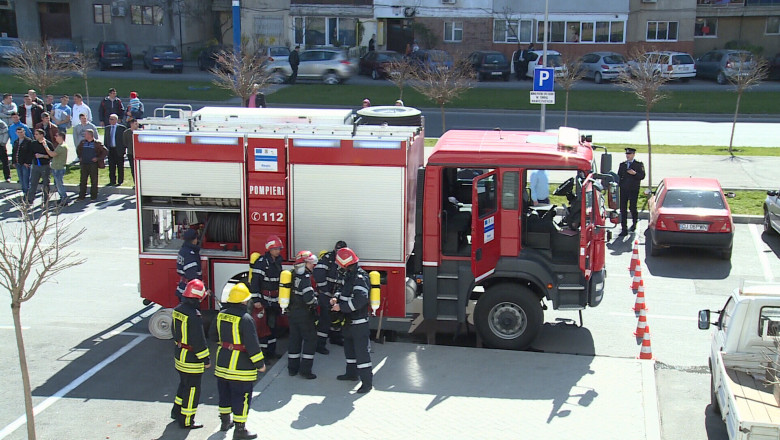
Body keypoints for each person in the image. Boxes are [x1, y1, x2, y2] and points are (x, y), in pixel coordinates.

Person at [214, 282, 266, 439]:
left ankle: (224, 422)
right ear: (244, 301)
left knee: (224, 393)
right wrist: (260, 364)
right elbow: (252, 344)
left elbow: (212, 336)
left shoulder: (220, 314)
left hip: (222, 361)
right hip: (240, 365)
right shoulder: (246, 318)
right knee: (242, 396)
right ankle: (240, 430)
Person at [330, 247, 373, 393]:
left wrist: (341, 307)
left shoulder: (359, 278)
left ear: (345, 264)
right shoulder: (348, 275)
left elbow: (361, 300)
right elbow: (341, 289)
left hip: (359, 323)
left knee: (362, 354)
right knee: (349, 351)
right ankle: (351, 374)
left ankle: (367, 383)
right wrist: (336, 297)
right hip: (348, 323)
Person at [171, 279, 211, 430]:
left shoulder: (178, 309)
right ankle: (187, 420)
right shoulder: (194, 316)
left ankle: (176, 411)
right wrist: (206, 359)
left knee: (183, 384)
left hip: (179, 353)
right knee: (193, 389)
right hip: (191, 359)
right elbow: (199, 341)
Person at [247, 236, 283, 359]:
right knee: (263, 329)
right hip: (263, 302)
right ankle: (262, 355)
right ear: (269, 249)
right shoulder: (261, 263)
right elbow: (255, 282)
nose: (278, 251)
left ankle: (271, 352)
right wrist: (256, 300)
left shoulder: (277, 262)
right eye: (276, 248)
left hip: (274, 302)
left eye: (279, 248)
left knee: (273, 328)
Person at [287, 250, 319, 379]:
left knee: (294, 340)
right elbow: (308, 298)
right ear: (304, 263)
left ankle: (292, 369)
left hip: (293, 313)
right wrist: (316, 301)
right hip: (304, 314)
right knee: (310, 340)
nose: (313, 266)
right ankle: (305, 371)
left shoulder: (292, 275)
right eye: (311, 263)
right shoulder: (305, 277)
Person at [314, 240, 348, 352]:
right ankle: (320, 345)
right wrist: (325, 290)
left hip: (337, 293)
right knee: (325, 319)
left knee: (337, 317)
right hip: (326, 294)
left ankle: (336, 338)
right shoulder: (328, 258)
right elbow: (318, 272)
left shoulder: (346, 258)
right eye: (337, 250)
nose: (339, 253)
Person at [617, 147, 646, 236]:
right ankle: (624, 229)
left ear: (633, 155)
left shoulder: (638, 164)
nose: (628, 156)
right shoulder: (622, 165)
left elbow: (642, 176)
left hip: (633, 189)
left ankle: (634, 223)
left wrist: (635, 173)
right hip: (624, 189)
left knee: (632, 207)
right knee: (623, 209)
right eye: (627, 154)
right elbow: (619, 176)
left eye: (629, 154)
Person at [76, 129, 107, 201]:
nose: (85, 135)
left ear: (90, 135)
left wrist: (98, 158)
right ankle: (81, 196)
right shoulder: (82, 142)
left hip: (93, 164)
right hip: (84, 164)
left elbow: (105, 151)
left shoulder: (97, 143)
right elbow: (78, 150)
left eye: (86, 134)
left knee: (94, 180)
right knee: (83, 180)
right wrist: (80, 157)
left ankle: (93, 196)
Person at [26, 129, 54, 205]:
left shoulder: (48, 143)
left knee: (46, 183)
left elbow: (52, 156)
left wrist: (43, 156)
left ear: (42, 135)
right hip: (35, 166)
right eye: (35, 134)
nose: (35, 136)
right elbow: (30, 153)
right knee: (33, 183)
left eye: (37, 134)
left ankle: (46, 200)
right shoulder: (33, 143)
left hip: (45, 166)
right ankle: (30, 200)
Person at [176, 228, 203, 303]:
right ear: (194, 240)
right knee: (191, 313)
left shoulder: (183, 250)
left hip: (183, 288)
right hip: (189, 293)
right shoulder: (190, 255)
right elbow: (192, 276)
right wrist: (204, 289)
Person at [103, 113, 126, 186]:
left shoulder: (121, 128)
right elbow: (106, 140)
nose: (110, 120)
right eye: (109, 119)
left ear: (116, 120)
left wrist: (123, 149)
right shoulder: (107, 128)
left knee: (120, 166)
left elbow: (124, 140)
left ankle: (120, 181)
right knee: (111, 166)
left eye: (112, 119)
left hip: (118, 150)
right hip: (111, 150)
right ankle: (112, 181)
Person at [48, 131, 70, 207]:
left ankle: (64, 199)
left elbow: (52, 154)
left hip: (58, 168)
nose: (55, 137)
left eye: (57, 136)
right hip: (56, 168)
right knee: (57, 184)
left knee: (59, 184)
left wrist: (45, 146)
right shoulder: (60, 145)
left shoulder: (62, 146)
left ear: (61, 137)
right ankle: (62, 198)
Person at [12, 127, 32, 193]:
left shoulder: (28, 141)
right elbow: (14, 152)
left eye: (21, 132)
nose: (20, 134)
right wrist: (14, 162)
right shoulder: (16, 141)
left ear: (24, 132)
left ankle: (27, 193)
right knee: (21, 179)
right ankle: (24, 192)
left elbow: (30, 153)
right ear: (16, 133)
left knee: (26, 179)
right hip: (18, 163)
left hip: (25, 164)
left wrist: (27, 162)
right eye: (18, 132)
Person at [122, 117, 138, 186]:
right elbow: (124, 142)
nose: (137, 125)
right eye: (135, 124)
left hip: (138, 154)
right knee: (133, 169)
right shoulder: (127, 132)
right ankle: (135, 183)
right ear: (131, 124)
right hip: (131, 153)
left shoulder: (139, 132)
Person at [0, 117, 8, 182]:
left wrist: (3, 143)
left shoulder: (1, 123)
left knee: (5, 162)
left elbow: (6, 133)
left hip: (1, 145)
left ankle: (7, 177)